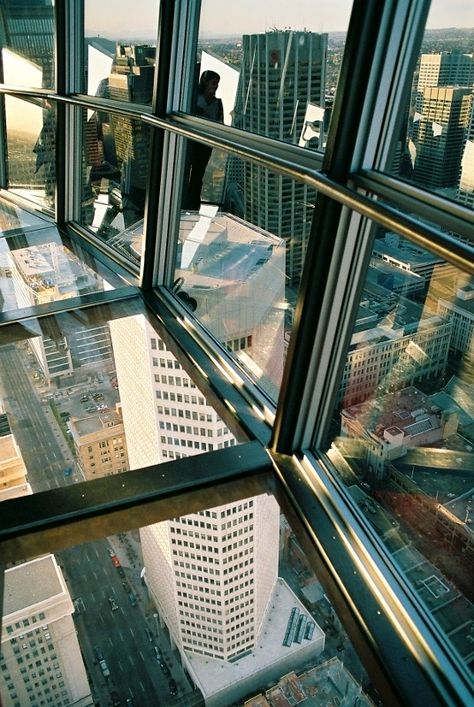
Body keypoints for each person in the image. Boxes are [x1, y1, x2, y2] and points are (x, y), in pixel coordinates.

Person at [185, 70, 224, 211]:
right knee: (187, 170)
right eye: (214, 82)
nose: (216, 86)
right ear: (205, 83)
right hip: (192, 140)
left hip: (205, 144)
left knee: (198, 173)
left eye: (217, 83)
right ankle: (187, 200)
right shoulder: (195, 99)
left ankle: (192, 203)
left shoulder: (217, 103)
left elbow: (220, 124)